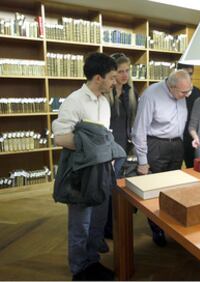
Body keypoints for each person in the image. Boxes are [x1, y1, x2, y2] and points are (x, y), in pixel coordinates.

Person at [52, 52, 118, 281]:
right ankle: (79, 268)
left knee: (98, 220)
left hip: (101, 171)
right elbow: (60, 138)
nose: (115, 81)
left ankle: (92, 261)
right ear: (98, 78)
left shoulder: (104, 102)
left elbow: (104, 134)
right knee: (80, 223)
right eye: (111, 77)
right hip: (81, 173)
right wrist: (95, 148)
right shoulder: (74, 101)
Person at [131, 70, 191, 246]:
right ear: (171, 87)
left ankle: (171, 225)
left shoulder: (182, 92)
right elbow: (139, 129)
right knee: (156, 190)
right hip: (156, 145)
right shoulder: (151, 95)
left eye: (189, 90)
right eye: (183, 92)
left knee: (173, 189)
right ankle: (156, 227)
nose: (187, 95)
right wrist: (142, 161)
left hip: (176, 144)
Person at [102, 53, 138, 240]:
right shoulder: (106, 94)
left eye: (127, 71)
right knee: (109, 189)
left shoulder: (131, 92)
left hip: (125, 148)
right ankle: (107, 228)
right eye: (120, 71)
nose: (124, 75)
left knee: (120, 188)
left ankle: (117, 223)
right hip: (109, 150)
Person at [176, 63, 200, 168]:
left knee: (192, 169)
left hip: (191, 137)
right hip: (175, 138)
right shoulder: (172, 91)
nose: (189, 77)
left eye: (190, 74)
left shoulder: (197, 92)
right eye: (185, 74)